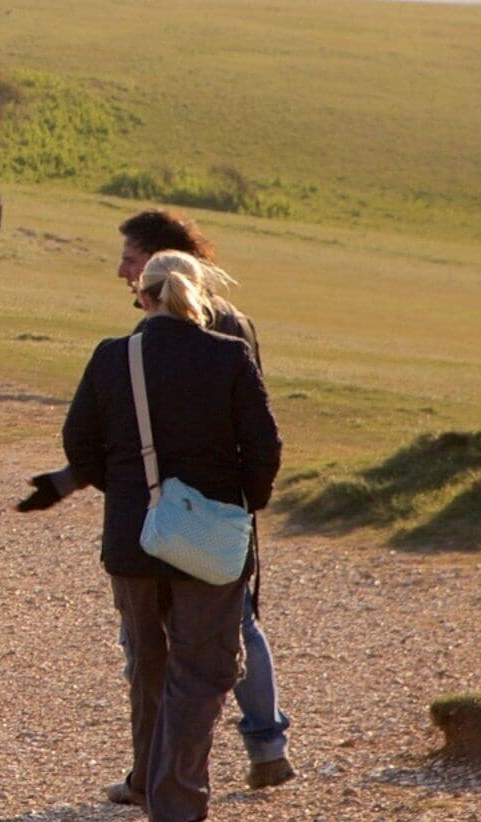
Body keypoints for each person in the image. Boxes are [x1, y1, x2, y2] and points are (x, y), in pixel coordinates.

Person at [23, 208, 294, 792]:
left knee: (161, 652)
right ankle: (260, 748)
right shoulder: (231, 330)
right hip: (217, 513)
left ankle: (165, 777)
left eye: (129, 258)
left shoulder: (154, 343)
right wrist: (247, 501)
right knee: (226, 637)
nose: (120, 269)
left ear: (158, 268)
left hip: (155, 520)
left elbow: (96, 439)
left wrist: (117, 482)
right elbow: (260, 435)